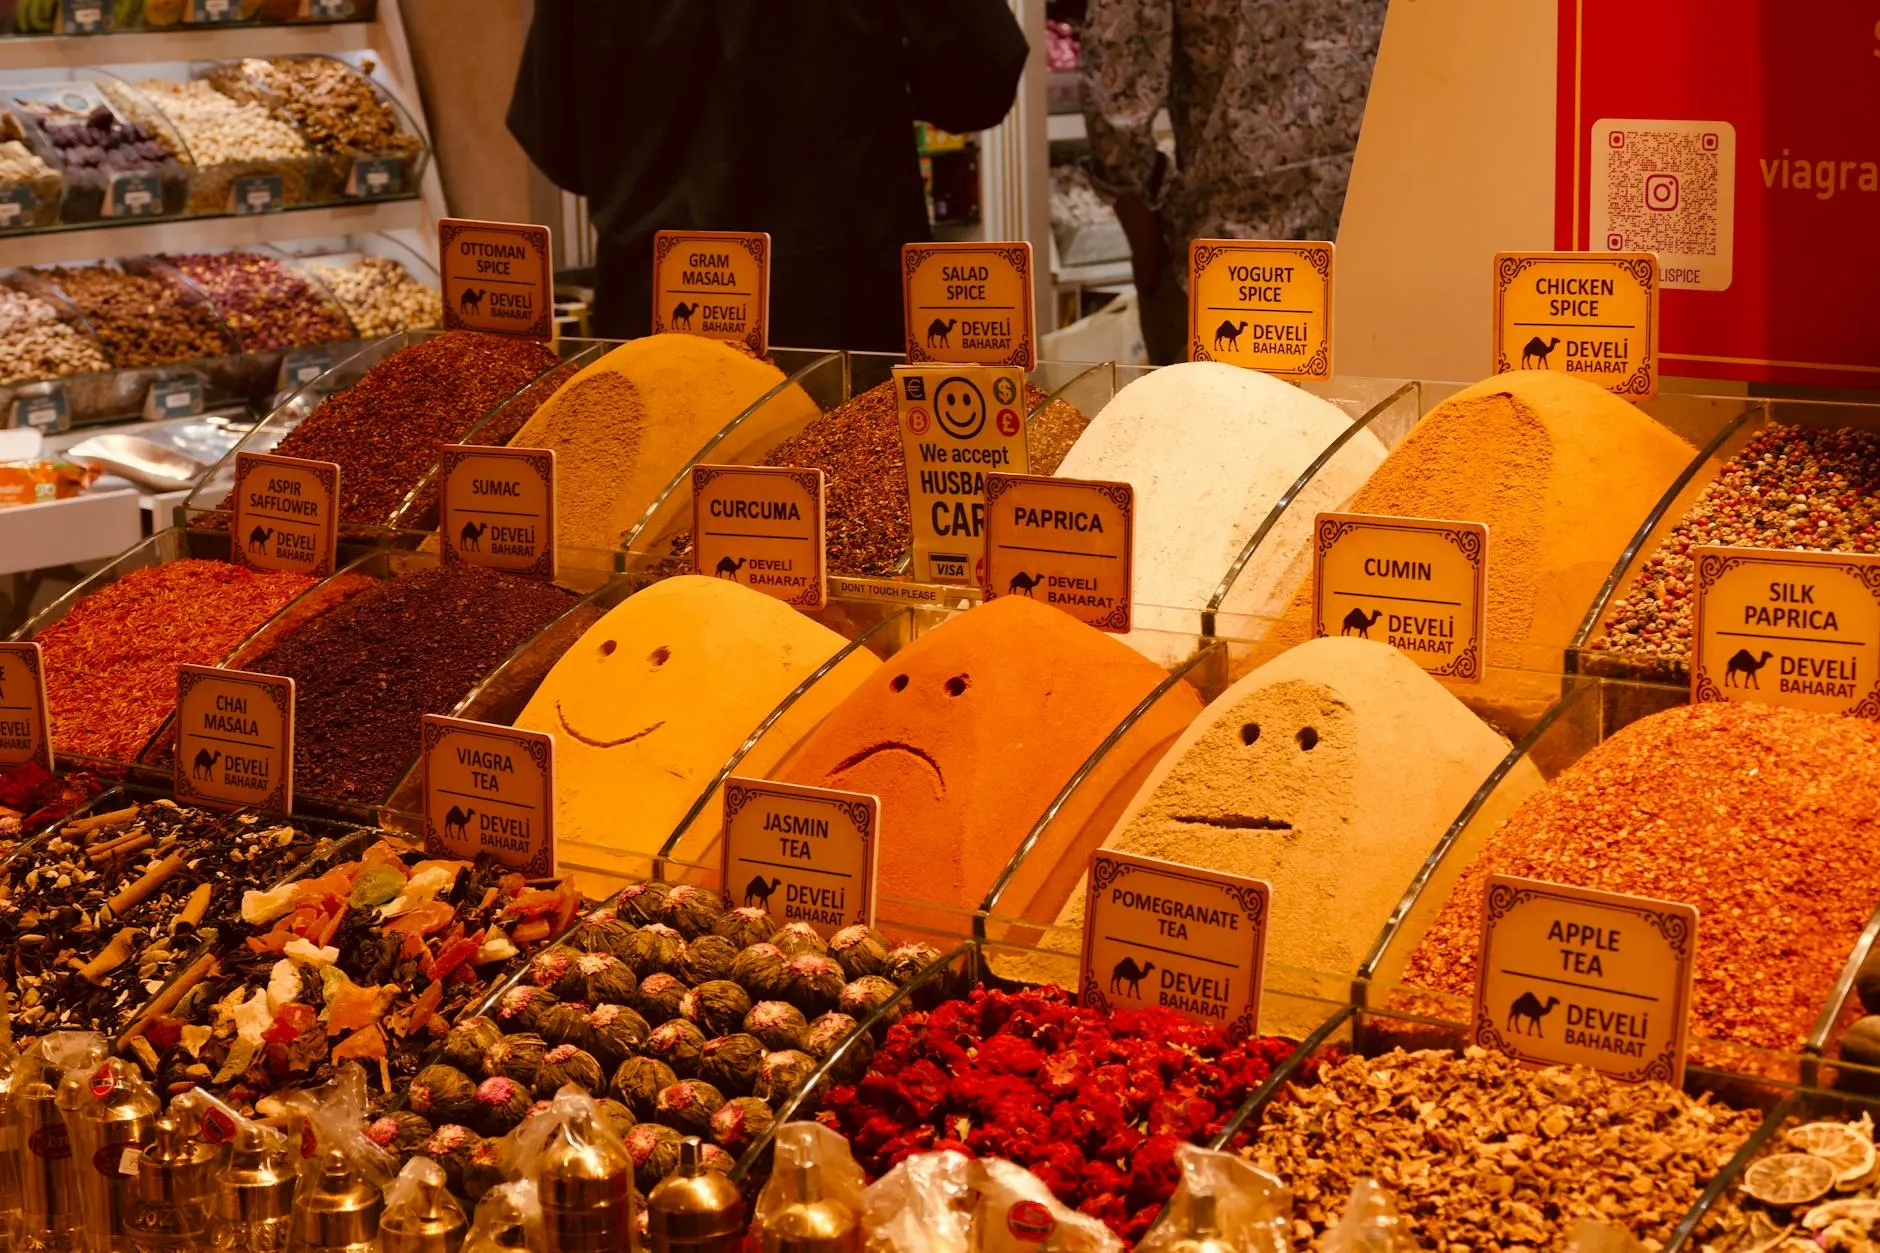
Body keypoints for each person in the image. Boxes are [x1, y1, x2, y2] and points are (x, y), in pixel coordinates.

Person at [508, 2, 1029, 350]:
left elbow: (553, 136)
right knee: (843, 485)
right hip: (836, 313)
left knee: (659, 486)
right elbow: (981, 74)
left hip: (654, 305)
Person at [1080, 0, 1383, 364]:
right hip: (1387, 251)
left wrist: (1152, 269)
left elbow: (1116, 109)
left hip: (1235, 264)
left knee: (1220, 401)